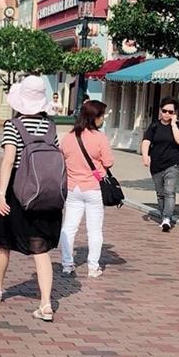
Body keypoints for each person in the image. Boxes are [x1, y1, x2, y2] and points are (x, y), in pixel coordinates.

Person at [0, 75, 62, 322]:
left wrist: (0, 194)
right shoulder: (50, 127)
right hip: (44, 193)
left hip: (17, 191)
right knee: (41, 249)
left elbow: (8, 161)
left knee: (3, 242)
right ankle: (46, 303)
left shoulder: (13, 126)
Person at [59, 100, 114, 278]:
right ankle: (93, 267)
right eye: (102, 115)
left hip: (72, 187)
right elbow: (108, 162)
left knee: (69, 227)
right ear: (94, 117)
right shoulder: (99, 137)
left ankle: (67, 264)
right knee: (94, 229)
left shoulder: (69, 137)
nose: (103, 119)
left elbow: (61, 158)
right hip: (94, 187)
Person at [141, 97, 179, 232]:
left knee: (169, 192)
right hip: (156, 165)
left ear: (175, 113)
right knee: (160, 194)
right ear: (161, 111)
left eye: (170, 112)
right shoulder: (154, 126)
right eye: (164, 111)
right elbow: (146, 141)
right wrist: (145, 156)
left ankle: (167, 218)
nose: (167, 114)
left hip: (173, 164)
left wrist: (173, 125)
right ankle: (163, 215)